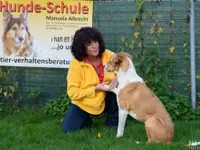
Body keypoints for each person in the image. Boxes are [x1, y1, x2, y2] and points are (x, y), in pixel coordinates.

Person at [61, 27, 119, 132]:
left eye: (95, 41)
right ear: (81, 47)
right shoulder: (76, 64)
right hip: (85, 102)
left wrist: (118, 79)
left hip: (108, 97)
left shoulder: (109, 55)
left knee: (118, 90)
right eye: (89, 44)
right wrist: (95, 89)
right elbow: (72, 93)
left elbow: (123, 70)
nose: (94, 46)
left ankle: (112, 122)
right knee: (68, 129)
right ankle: (86, 119)